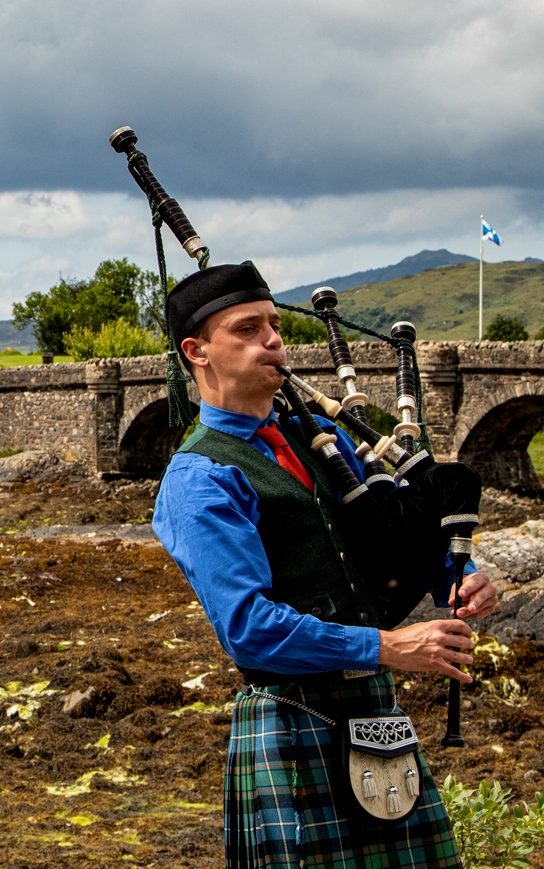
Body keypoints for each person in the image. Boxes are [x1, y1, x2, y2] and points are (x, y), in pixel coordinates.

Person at [152, 261, 498, 868]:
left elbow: (389, 537)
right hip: (290, 723)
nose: (273, 340)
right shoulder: (202, 478)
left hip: (376, 714)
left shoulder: (316, 443)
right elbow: (249, 628)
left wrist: (458, 573)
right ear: (197, 352)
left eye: (275, 325)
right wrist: (387, 646)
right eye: (248, 328)